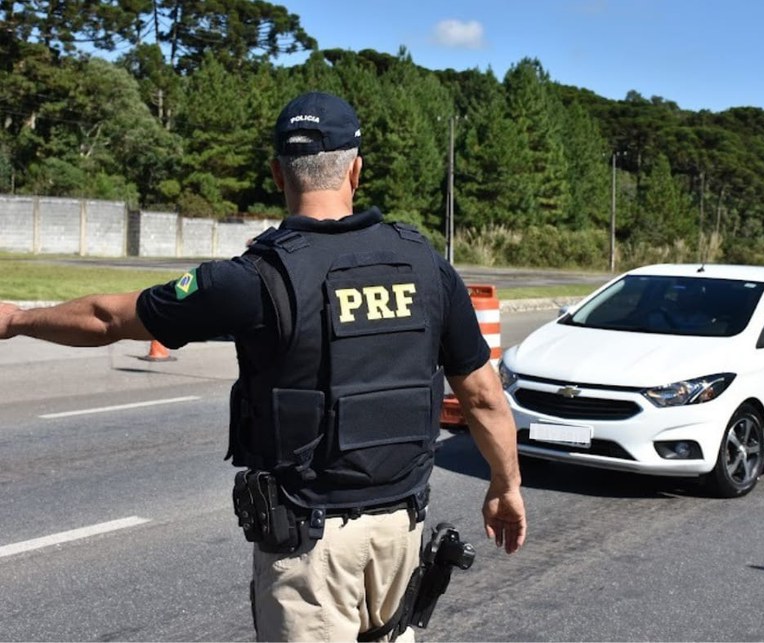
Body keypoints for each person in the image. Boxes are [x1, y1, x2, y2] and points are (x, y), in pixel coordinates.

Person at [0, 91, 526, 642]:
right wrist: (506, 484)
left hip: (312, 546)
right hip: (402, 534)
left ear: (278, 174)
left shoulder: (254, 278)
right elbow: (483, 396)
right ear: (356, 170)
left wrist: (14, 319)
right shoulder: (426, 265)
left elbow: (107, 319)